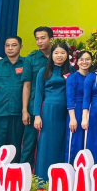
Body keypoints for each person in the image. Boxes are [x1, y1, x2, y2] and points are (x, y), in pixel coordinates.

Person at [32, 43, 71, 181]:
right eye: (56, 53)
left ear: (67, 55)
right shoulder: (44, 71)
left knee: (62, 143)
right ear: (51, 55)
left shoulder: (71, 71)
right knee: (47, 144)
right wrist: (37, 116)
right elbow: (38, 94)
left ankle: (60, 179)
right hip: (48, 111)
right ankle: (43, 180)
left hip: (67, 112)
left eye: (62, 53)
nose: (59, 56)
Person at [0, 37, 25, 161]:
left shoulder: (26, 64)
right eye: (7, 45)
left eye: (14, 45)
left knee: (15, 147)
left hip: (18, 113)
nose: (10, 48)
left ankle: (13, 172)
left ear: (20, 47)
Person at [21, 27, 53, 168]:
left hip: (53, 106)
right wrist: (24, 110)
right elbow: (27, 85)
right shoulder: (31, 59)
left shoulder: (59, 55)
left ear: (51, 39)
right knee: (29, 142)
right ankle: (24, 174)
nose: (39, 41)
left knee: (50, 142)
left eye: (43, 38)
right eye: (37, 39)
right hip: (34, 106)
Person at [64, 50, 92, 163]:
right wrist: (72, 118)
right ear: (77, 61)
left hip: (90, 111)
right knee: (74, 142)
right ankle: (71, 168)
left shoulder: (92, 76)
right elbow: (70, 99)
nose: (84, 62)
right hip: (76, 112)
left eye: (87, 59)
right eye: (82, 60)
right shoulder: (73, 78)